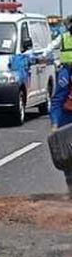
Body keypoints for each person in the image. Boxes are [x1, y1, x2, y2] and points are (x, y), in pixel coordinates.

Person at [51, 60, 72, 192]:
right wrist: (55, 124)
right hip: (68, 118)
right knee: (67, 157)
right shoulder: (66, 72)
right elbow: (58, 100)